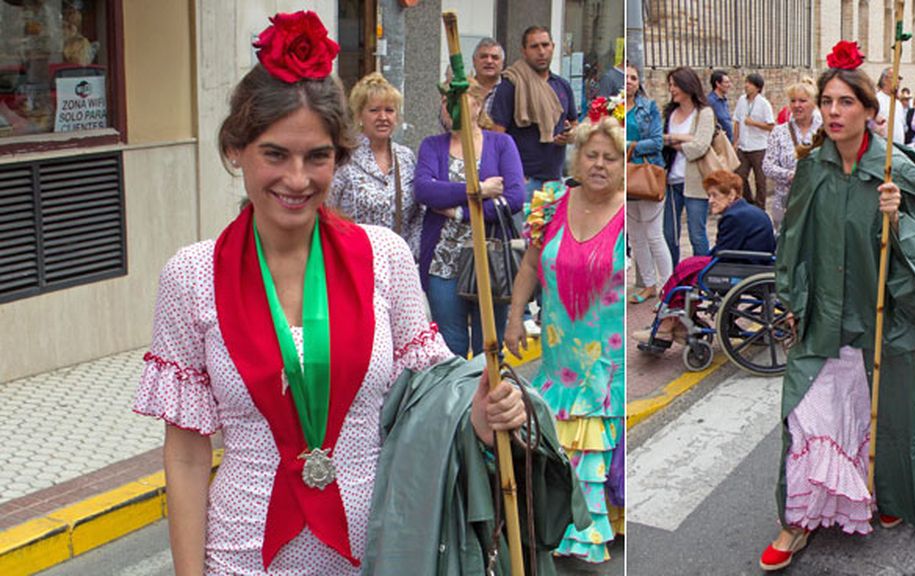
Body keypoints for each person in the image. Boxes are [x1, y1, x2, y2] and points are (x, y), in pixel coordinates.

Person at [132, 12, 580, 575]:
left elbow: (431, 398)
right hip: (241, 556)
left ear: (339, 158)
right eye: (275, 154)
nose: (297, 179)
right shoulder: (190, 276)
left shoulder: (384, 257)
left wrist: (482, 414)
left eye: (317, 156)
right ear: (235, 151)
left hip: (382, 548)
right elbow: (188, 455)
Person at [761, 41, 915, 572]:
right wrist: (792, 297)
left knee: (882, 413)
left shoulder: (895, 170)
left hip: (883, 318)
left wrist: (899, 215)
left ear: (869, 110)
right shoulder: (811, 168)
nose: (834, 112)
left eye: (845, 102)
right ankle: (796, 522)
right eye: (827, 101)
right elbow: (792, 239)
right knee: (808, 411)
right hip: (823, 316)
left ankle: (878, 491)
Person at [504, 115, 625, 564]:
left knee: (599, 436)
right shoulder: (552, 202)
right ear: (576, 157)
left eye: (609, 157)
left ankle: (600, 521)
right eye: (590, 155)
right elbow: (531, 266)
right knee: (560, 435)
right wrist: (515, 318)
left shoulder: (632, 210)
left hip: (608, 362)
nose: (598, 164)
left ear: (623, 163)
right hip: (561, 356)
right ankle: (561, 517)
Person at [414, 78, 525, 358]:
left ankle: (490, 398)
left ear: (477, 104)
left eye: (458, 101)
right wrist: (479, 190)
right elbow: (424, 190)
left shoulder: (501, 143)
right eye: (444, 101)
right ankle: (460, 400)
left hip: (490, 258)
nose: (449, 108)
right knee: (451, 344)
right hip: (443, 260)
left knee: (491, 342)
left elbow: (513, 197)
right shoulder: (432, 145)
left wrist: (460, 211)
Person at [632, 170, 775, 343]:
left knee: (688, 269)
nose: (710, 201)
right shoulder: (745, 211)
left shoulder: (735, 216)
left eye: (715, 195)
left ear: (731, 194)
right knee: (689, 267)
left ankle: (667, 324)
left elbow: (723, 251)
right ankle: (673, 322)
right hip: (751, 265)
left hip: (744, 269)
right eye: (709, 195)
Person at [327, 72, 422, 256]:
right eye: (374, 110)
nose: (383, 117)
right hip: (353, 260)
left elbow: (418, 215)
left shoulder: (406, 157)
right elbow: (327, 212)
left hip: (397, 265)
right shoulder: (344, 157)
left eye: (389, 110)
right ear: (359, 115)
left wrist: (409, 253)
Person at [490, 25, 578, 205]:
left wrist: (568, 136)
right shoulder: (511, 85)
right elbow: (496, 137)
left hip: (555, 180)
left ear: (553, 46)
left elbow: (575, 124)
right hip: (524, 180)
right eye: (534, 46)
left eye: (545, 45)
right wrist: (513, 177)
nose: (541, 52)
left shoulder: (562, 86)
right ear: (524, 51)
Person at [625, 62, 671, 304]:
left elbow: (656, 142)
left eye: (633, 77)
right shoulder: (614, 108)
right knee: (635, 237)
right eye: (625, 77)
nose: (629, 81)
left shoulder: (648, 107)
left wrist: (627, 146)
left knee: (654, 235)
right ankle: (649, 284)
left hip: (646, 173)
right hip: (624, 177)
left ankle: (668, 284)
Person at [662, 66, 715, 264]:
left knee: (697, 234)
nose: (671, 89)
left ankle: (701, 277)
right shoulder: (670, 113)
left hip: (696, 182)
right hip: (671, 181)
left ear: (687, 86)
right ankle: (674, 277)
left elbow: (700, 146)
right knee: (669, 234)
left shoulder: (704, 113)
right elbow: (660, 140)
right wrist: (683, 138)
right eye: (670, 85)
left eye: (675, 85)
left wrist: (673, 140)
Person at [763, 78, 822, 229]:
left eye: (802, 101)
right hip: (786, 201)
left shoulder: (824, 131)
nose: (797, 105)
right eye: (793, 101)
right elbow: (767, 165)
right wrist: (789, 175)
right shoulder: (779, 131)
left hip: (817, 200)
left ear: (814, 103)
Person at [732, 72, 774, 209]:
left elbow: (771, 126)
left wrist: (754, 123)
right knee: (740, 175)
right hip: (744, 146)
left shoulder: (764, 104)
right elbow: (737, 121)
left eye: (749, 83)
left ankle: (760, 206)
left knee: (760, 179)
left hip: (759, 147)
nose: (746, 86)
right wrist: (735, 141)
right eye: (746, 82)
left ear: (757, 87)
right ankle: (749, 201)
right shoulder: (741, 100)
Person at [872, 67, 905, 143]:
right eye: (894, 78)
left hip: (898, 147)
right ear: (885, 80)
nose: (898, 81)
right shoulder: (876, 100)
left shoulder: (898, 103)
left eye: (899, 78)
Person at [707, 69, 734, 142]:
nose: (729, 85)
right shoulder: (710, 102)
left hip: (728, 142)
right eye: (726, 82)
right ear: (718, 84)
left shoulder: (724, 100)